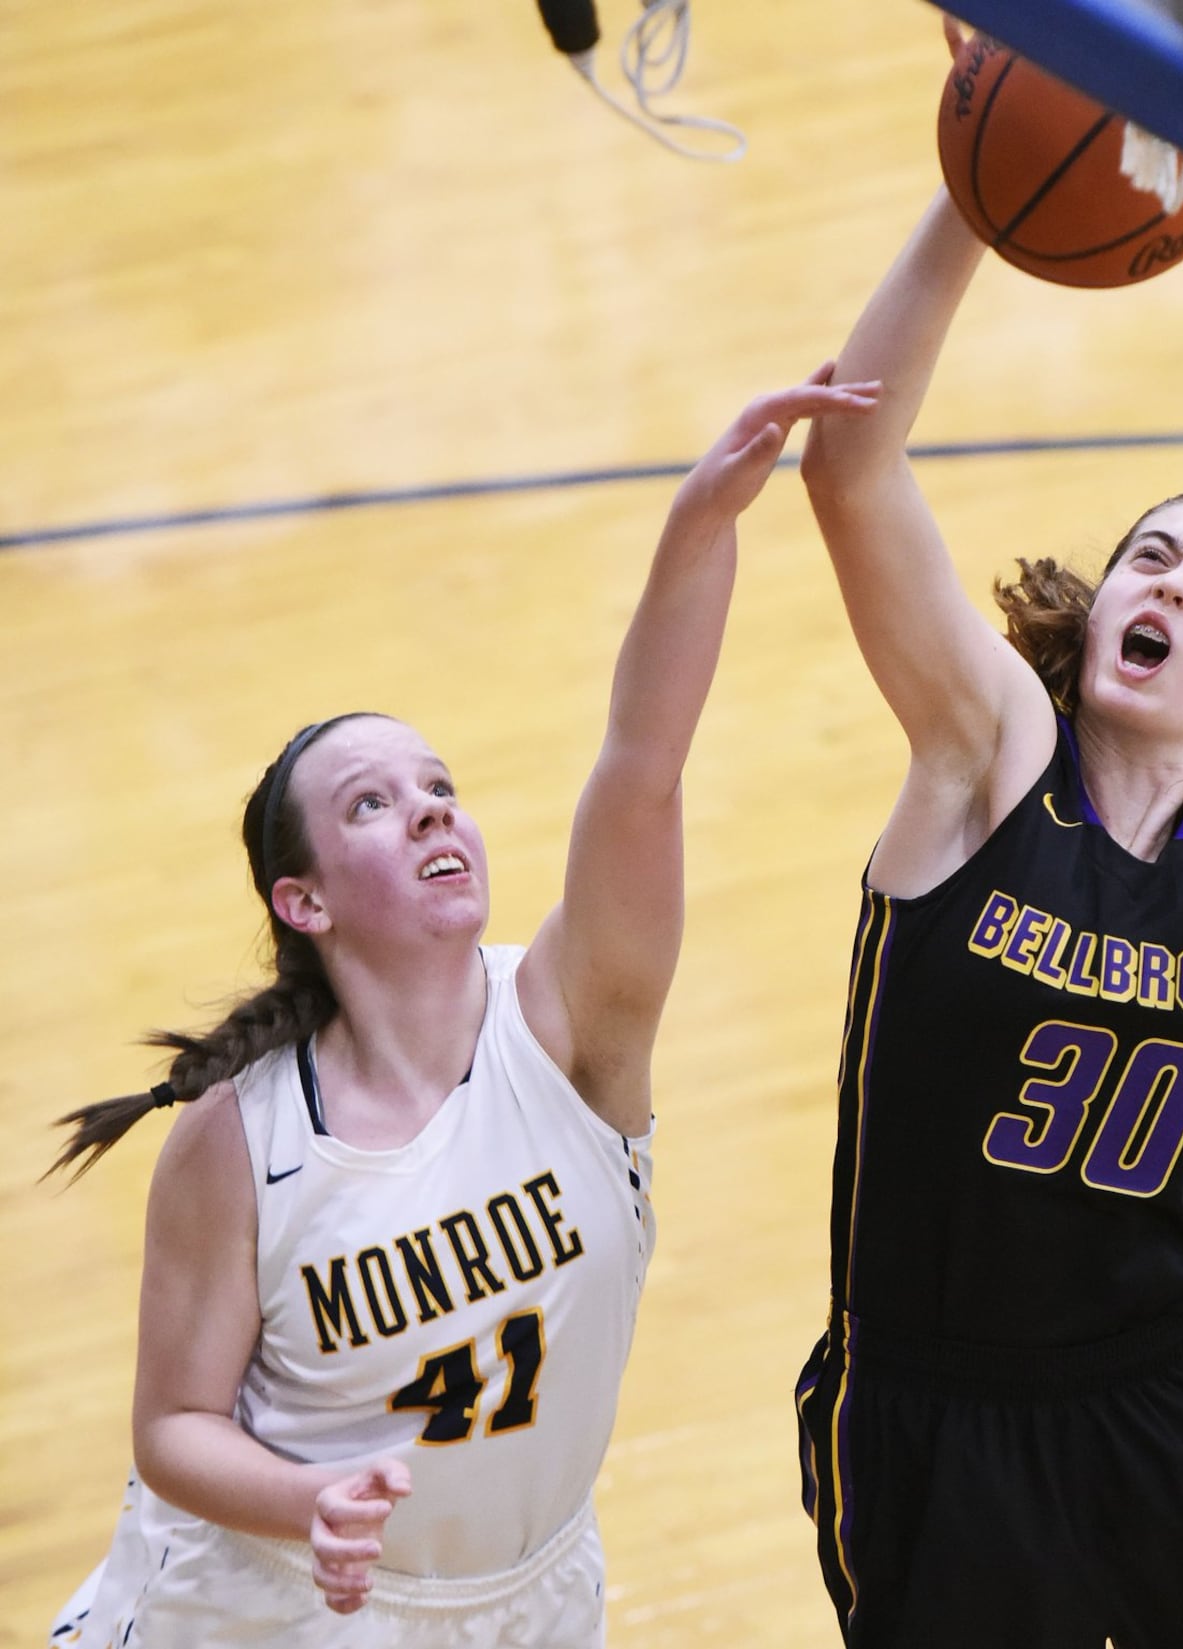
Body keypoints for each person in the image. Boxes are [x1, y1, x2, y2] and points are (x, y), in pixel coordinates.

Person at [45, 367, 879, 1649]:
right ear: (303, 901)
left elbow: (641, 770)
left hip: (533, 1596)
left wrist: (697, 530)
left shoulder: (573, 1024)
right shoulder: (240, 1133)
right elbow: (172, 1427)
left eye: (440, 781)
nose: (432, 805)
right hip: (280, 1602)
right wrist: (306, 1499)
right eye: (372, 802)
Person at [790, 163, 1183, 1649]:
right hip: (944, 1405)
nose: (1175, 589)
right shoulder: (991, 757)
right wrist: (973, 191)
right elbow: (849, 470)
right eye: (1153, 559)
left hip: (1174, 1384)